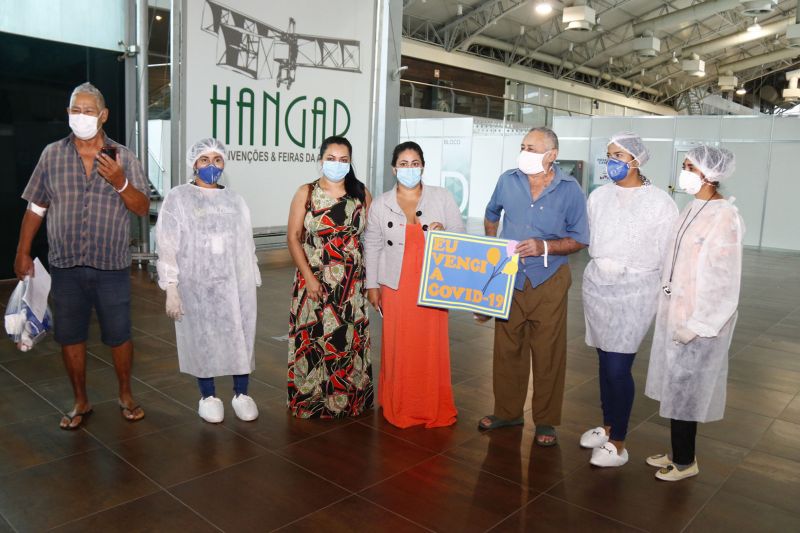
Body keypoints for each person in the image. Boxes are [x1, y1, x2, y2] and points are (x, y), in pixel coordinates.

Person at [14, 82, 149, 429]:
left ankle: (125, 394)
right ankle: (80, 401)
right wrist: (22, 252)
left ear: (103, 116)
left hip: (112, 265)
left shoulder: (124, 156)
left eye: (89, 111)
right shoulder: (52, 154)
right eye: (76, 110)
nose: (82, 117)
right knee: (70, 335)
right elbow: (36, 206)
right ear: (68, 114)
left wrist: (120, 182)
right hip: (65, 264)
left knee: (119, 335)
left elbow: (141, 207)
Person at [478, 127, 589, 446]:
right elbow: (491, 214)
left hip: (549, 278)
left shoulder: (570, 190)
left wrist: (544, 247)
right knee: (507, 347)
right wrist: (492, 250)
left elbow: (580, 239)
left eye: (532, 147)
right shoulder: (507, 180)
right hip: (511, 277)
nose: (524, 152)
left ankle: (545, 420)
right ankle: (507, 411)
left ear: (552, 155)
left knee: (548, 351)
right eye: (523, 146)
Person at [645, 145, 743, 481]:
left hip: (699, 322)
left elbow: (724, 278)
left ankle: (686, 462)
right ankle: (676, 452)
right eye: (684, 165)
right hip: (676, 311)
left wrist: (700, 323)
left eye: (690, 166)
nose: (684, 171)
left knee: (686, 389)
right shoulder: (691, 207)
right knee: (675, 385)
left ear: (710, 174)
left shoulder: (725, 216)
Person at [579, 132, 678, 467]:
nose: (612, 163)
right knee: (605, 361)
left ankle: (618, 443)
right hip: (598, 287)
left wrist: (669, 293)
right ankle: (607, 426)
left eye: (618, 156)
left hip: (636, 290)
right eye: (608, 155)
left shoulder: (660, 202)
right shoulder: (598, 196)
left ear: (636, 160)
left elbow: (669, 252)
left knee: (620, 366)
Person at [154, 138, 260, 423]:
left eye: (217, 160)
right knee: (202, 337)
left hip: (235, 283)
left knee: (240, 334)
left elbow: (246, 243)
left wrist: (252, 276)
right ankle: (208, 395)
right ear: (194, 164)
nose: (211, 165)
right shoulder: (179, 198)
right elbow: (166, 243)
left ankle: (241, 393)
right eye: (204, 160)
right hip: (196, 284)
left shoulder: (235, 201)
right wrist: (171, 286)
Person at [364, 141, 465, 428]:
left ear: (423, 166)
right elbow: (371, 244)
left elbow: (460, 234)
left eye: (415, 163)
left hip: (433, 283)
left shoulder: (442, 197)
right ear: (394, 168)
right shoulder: (381, 203)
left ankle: (431, 404)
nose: (410, 169)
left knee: (430, 344)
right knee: (400, 344)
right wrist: (373, 285)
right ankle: (400, 403)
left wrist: (444, 233)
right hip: (396, 284)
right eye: (404, 164)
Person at [286, 136, 373, 418]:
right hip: (314, 282)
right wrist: (309, 278)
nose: (337, 164)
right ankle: (310, 401)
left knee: (347, 341)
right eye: (331, 158)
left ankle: (349, 401)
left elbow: (371, 239)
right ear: (321, 159)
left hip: (351, 286)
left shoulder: (361, 194)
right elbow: (293, 238)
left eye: (344, 159)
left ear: (350, 162)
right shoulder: (306, 193)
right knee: (312, 340)